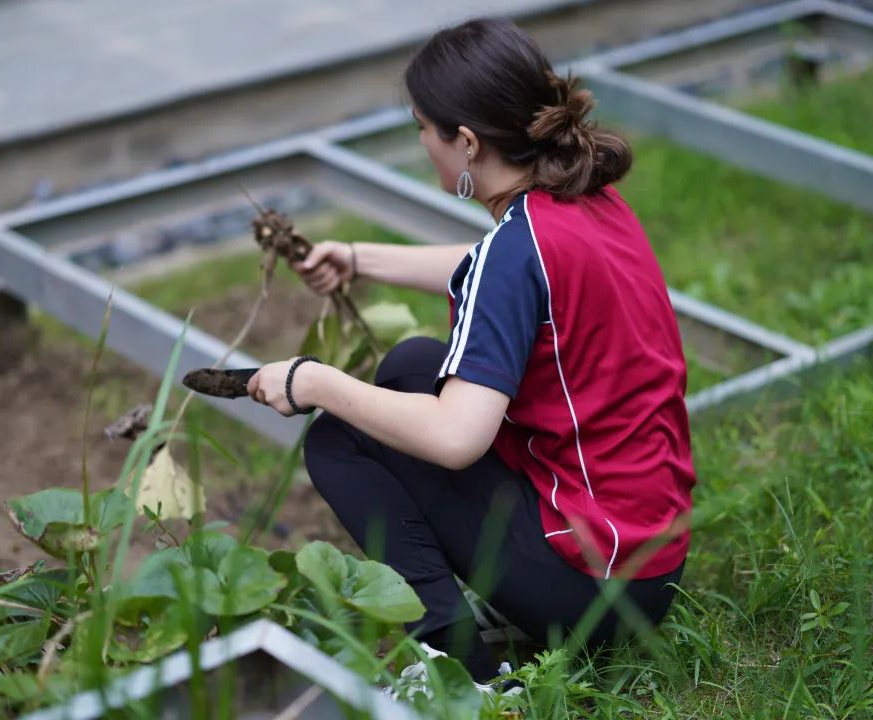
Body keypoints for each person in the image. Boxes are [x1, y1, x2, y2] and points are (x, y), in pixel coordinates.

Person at [246, 17, 695, 683]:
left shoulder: (515, 253)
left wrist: (312, 382)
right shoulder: (587, 201)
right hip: (650, 562)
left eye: (423, 127)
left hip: (593, 591)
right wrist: (360, 259)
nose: (422, 143)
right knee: (411, 366)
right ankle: (492, 613)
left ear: (465, 141)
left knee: (338, 437)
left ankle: (460, 670)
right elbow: (491, 272)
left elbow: (458, 438)